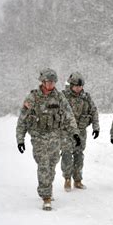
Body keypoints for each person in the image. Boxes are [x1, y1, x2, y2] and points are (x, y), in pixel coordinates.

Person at [16, 68, 81, 211]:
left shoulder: (59, 97)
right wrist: (20, 139)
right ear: (42, 82)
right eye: (48, 82)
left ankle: (47, 189)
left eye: (53, 82)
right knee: (44, 165)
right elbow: (22, 119)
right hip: (39, 137)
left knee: (51, 166)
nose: (51, 84)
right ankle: (46, 196)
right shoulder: (33, 97)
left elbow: (68, 115)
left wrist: (75, 133)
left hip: (55, 136)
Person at [61, 72, 100, 191]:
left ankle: (78, 180)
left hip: (81, 131)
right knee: (67, 154)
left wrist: (96, 127)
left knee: (79, 155)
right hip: (66, 132)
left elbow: (93, 112)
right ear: (71, 85)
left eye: (80, 86)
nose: (78, 88)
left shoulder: (86, 97)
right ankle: (67, 179)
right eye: (76, 86)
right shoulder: (63, 97)